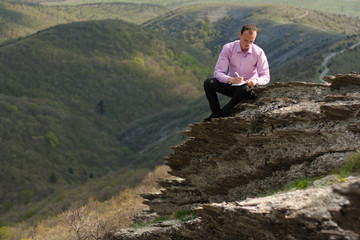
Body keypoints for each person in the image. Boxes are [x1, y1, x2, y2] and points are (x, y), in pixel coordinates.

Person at [203, 23, 270, 121]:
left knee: (244, 88)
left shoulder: (259, 52)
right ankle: (216, 112)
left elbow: (266, 76)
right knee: (209, 83)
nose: (248, 44)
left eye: (251, 41)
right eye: (245, 40)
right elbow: (218, 73)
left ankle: (221, 114)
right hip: (233, 85)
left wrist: (255, 81)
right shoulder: (228, 48)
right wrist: (231, 80)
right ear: (240, 35)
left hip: (248, 88)